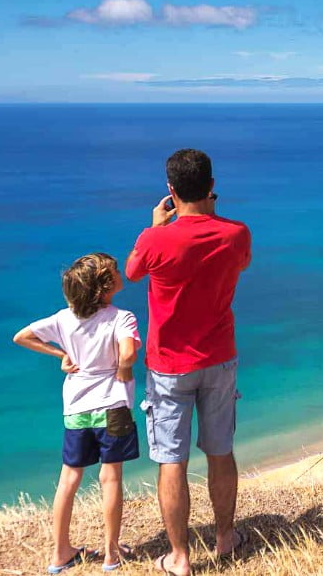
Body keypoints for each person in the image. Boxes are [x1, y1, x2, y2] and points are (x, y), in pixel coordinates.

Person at [127, 149, 252, 576]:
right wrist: (210, 215)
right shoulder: (237, 234)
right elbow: (241, 261)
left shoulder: (154, 239)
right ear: (211, 186)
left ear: (170, 190)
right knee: (220, 452)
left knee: (171, 460)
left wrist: (156, 226)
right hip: (218, 358)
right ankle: (225, 538)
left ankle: (179, 557)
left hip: (168, 366)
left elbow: (132, 272)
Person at [12, 253, 141, 573]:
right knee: (110, 477)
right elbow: (127, 353)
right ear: (104, 286)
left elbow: (22, 337)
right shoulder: (122, 318)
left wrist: (60, 355)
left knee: (69, 478)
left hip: (77, 409)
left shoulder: (63, 319)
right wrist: (124, 369)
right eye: (114, 271)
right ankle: (112, 554)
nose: (120, 272)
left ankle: (60, 553)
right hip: (113, 406)